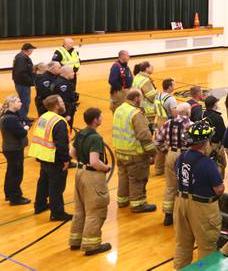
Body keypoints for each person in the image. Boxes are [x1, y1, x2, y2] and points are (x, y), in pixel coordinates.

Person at [173, 121, 224, 270]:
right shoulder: (207, 164)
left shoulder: (180, 158)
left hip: (180, 203)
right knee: (206, 247)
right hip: (201, 208)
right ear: (205, 142)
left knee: (182, 245)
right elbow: (219, 189)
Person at [68, 107, 112, 255]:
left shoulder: (81, 132)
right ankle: (91, 245)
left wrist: (82, 162)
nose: (102, 118)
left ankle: (75, 240)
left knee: (80, 209)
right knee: (96, 210)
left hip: (79, 173)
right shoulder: (95, 138)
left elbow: (72, 152)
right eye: (100, 116)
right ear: (95, 120)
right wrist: (106, 168)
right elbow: (94, 161)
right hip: (92, 176)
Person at [112, 89, 157, 213]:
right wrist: (153, 153)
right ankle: (138, 204)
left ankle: (122, 200)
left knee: (123, 177)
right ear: (136, 98)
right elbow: (144, 136)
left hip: (120, 151)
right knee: (138, 179)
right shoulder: (135, 113)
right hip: (134, 154)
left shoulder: (119, 109)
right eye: (141, 99)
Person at [30, 95, 72, 220]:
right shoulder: (59, 122)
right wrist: (66, 160)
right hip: (54, 158)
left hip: (42, 155)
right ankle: (57, 213)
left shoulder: (43, 117)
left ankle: (40, 205)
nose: (64, 104)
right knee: (56, 186)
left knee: (43, 182)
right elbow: (61, 144)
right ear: (55, 106)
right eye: (61, 102)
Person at [154, 103, 193, 225]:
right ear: (188, 112)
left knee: (170, 186)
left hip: (171, 154)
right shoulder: (190, 125)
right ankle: (185, 214)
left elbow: (157, 141)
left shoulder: (168, 123)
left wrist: (167, 151)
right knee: (186, 186)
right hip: (186, 156)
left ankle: (168, 215)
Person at [1, 95, 31, 205]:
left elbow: (25, 121)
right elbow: (21, 133)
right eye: (18, 101)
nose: (21, 103)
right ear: (11, 104)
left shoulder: (12, 115)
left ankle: (9, 194)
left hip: (11, 148)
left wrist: (24, 125)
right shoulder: (10, 119)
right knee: (16, 174)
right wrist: (25, 128)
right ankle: (15, 198)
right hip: (14, 149)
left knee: (11, 172)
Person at [203, 96, 227, 177]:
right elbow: (223, 133)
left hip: (204, 144)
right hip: (216, 145)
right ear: (214, 104)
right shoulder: (217, 117)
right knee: (220, 164)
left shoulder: (202, 115)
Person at [131, 62, 159, 128]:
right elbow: (152, 97)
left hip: (139, 107)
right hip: (148, 110)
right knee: (151, 128)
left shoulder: (137, 77)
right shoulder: (145, 80)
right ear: (146, 68)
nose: (153, 68)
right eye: (151, 67)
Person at [12, 43, 36, 119]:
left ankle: (23, 117)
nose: (32, 51)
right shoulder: (21, 58)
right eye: (32, 50)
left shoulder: (22, 57)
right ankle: (22, 119)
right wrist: (31, 82)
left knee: (24, 101)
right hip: (23, 84)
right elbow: (21, 73)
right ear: (28, 50)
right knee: (24, 102)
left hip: (23, 84)